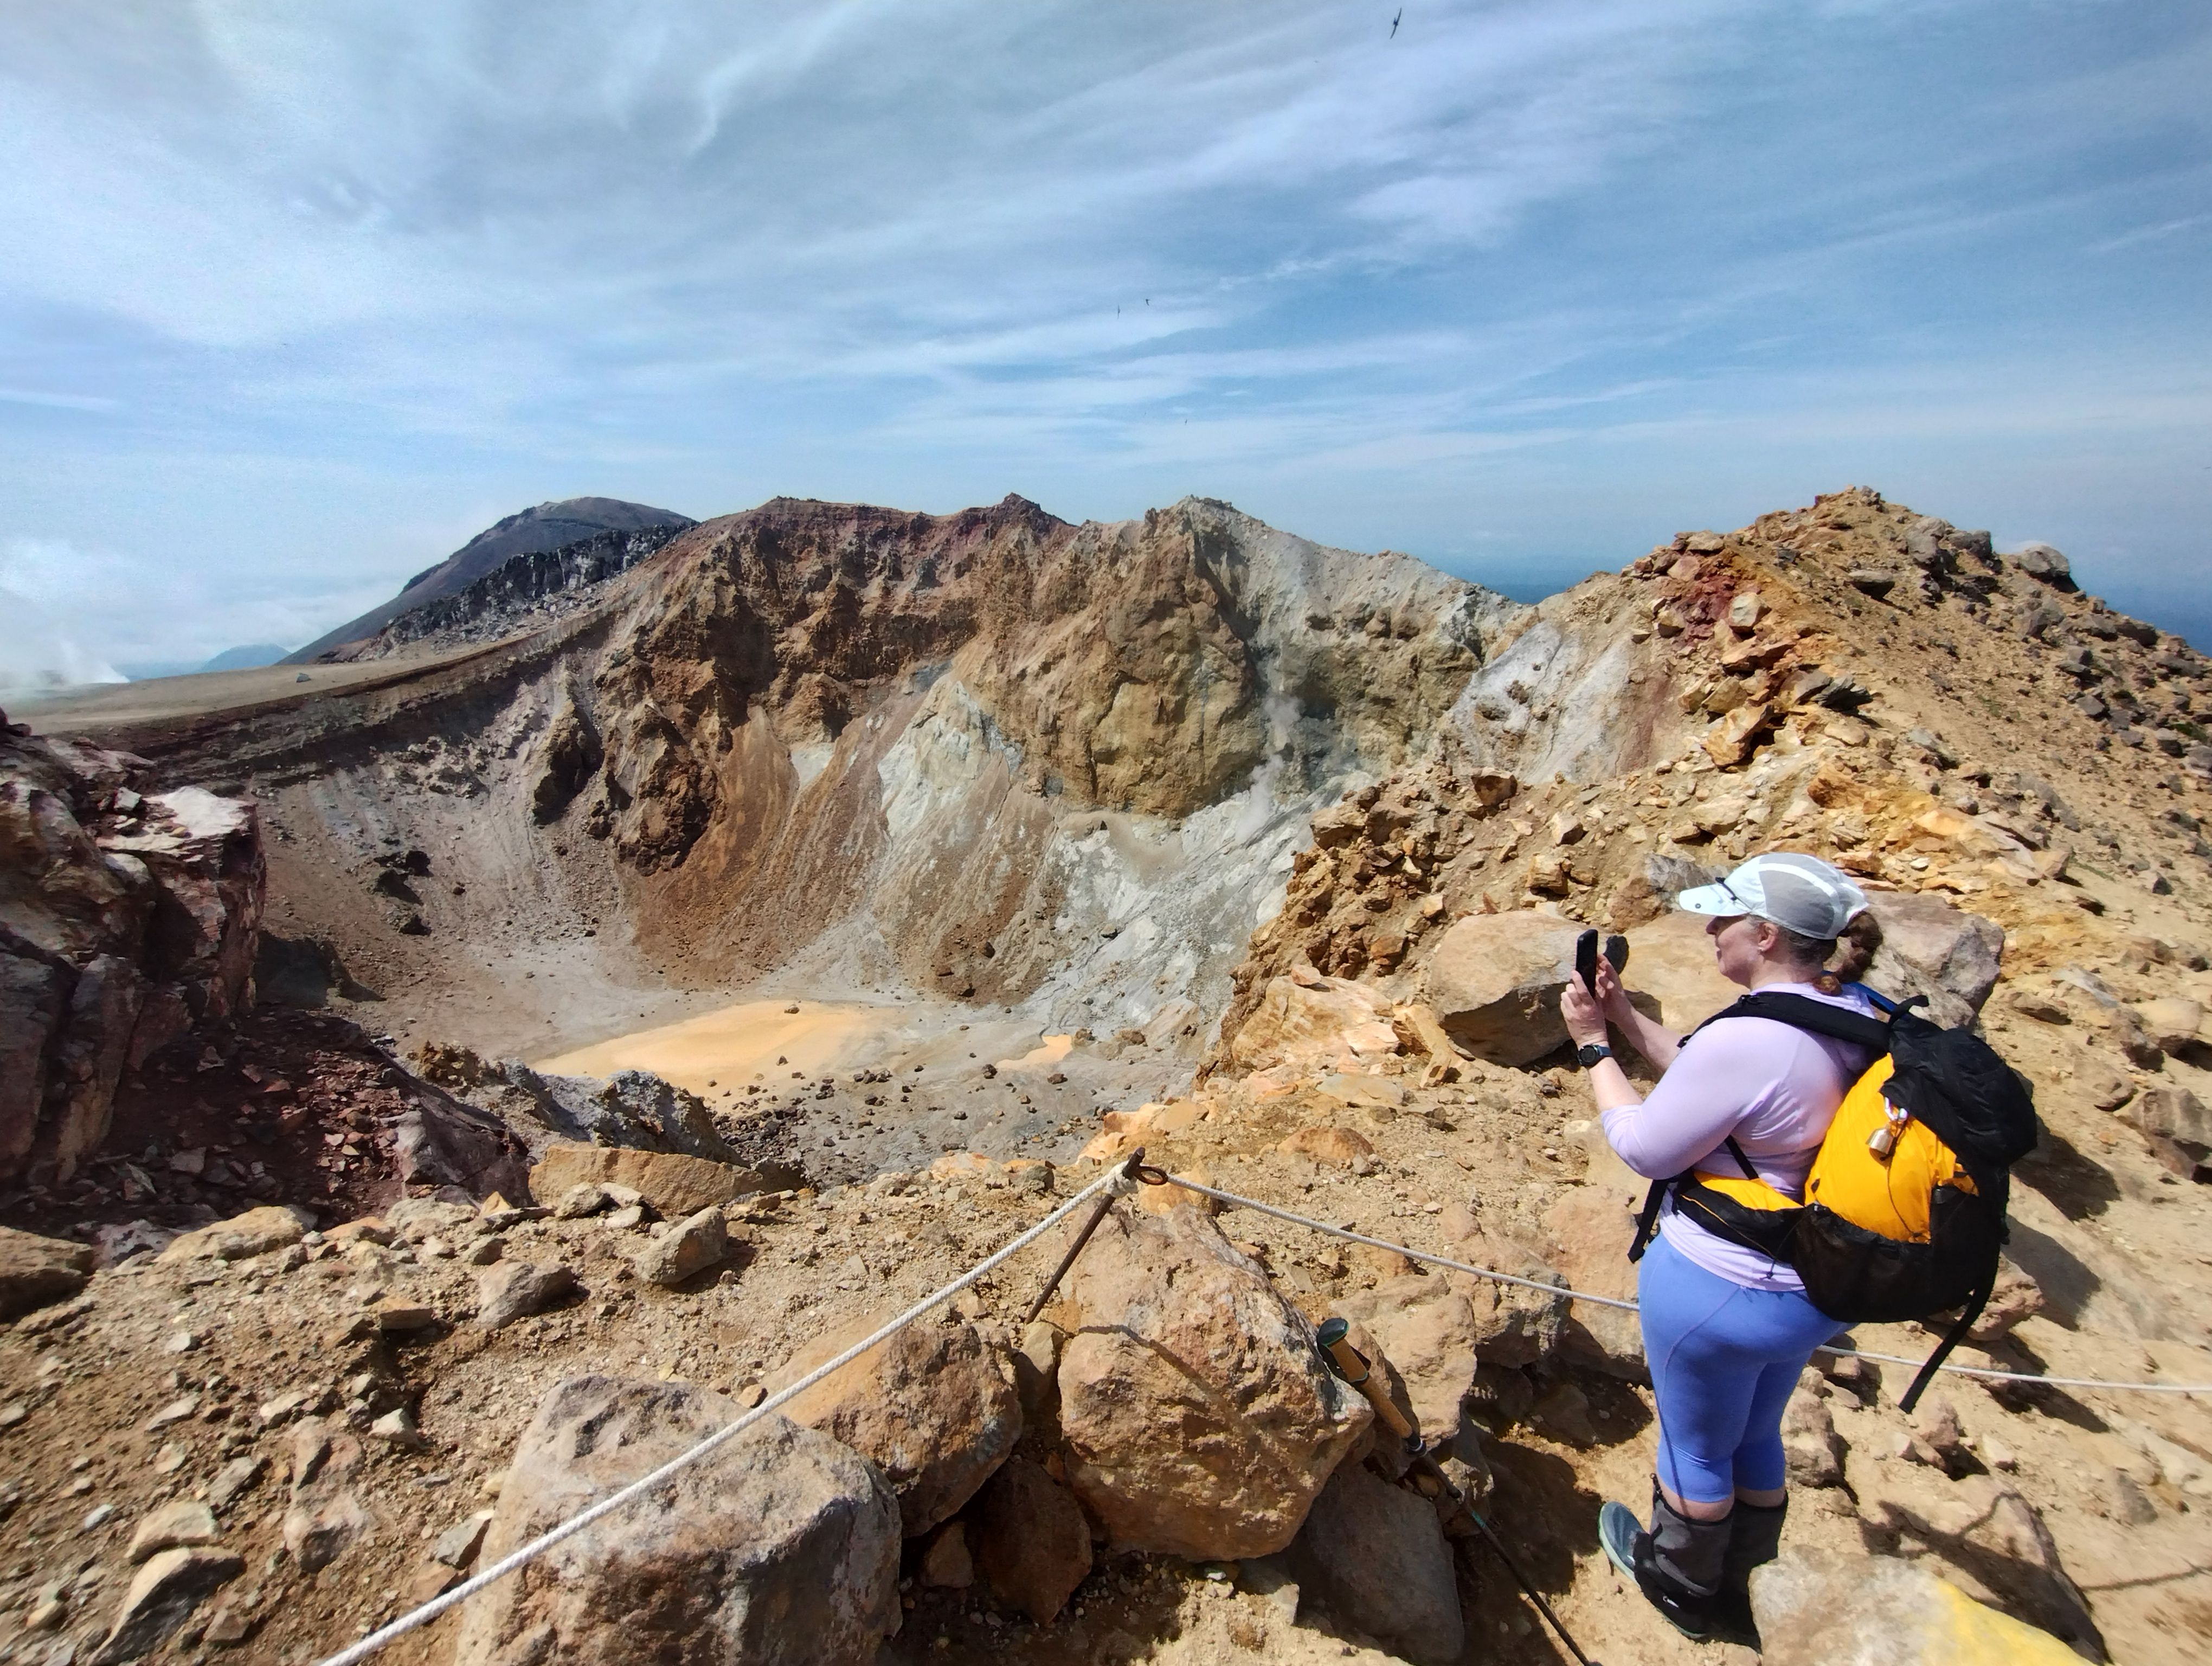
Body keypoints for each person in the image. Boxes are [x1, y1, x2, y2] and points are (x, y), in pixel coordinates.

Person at [1558, 851, 1883, 1642]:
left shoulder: (1753, 1039)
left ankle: (1680, 1586)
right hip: (1808, 1287)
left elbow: (1645, 1146)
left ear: (1765, 935)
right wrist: (1629, 1019)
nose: (1710, 929)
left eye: (1725, 919)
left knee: (1695, 1446)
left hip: (1718, 1284)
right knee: (1754, 1431)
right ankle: (1749, 1578)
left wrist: (1596, 1049)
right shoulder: (1852, 1009)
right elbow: (1719, 1080)